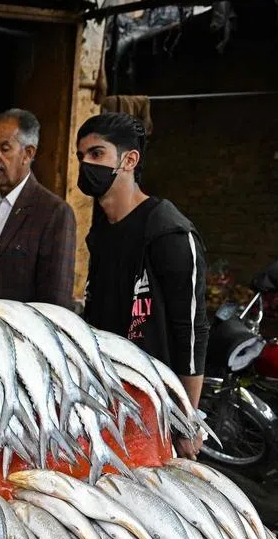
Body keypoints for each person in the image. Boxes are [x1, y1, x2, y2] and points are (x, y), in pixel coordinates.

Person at [76, 112, 209, 459]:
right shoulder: (101, 232)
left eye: (96, 154)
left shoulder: (168, 232)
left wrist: (186, 419)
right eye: (81, 156)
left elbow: (192, 331)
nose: (85, 164)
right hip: (105, 400)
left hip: (155, 409)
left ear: (129, 160)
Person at [0, 108, 76, 307]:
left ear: (28, 154)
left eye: (4, 148)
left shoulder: (54, 213)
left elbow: (56, 304)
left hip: (12, 333)